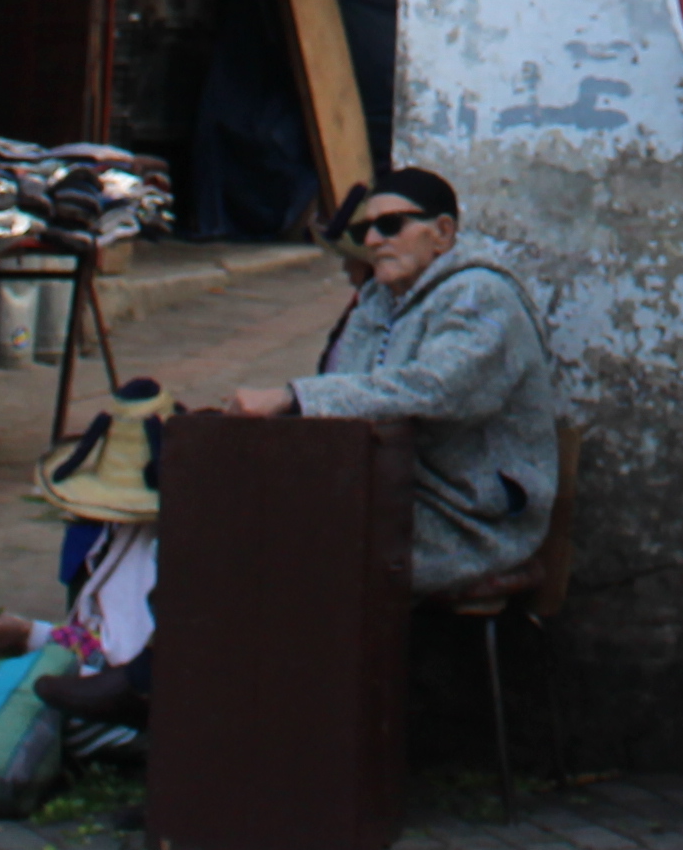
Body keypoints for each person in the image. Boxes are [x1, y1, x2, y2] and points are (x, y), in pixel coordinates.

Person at [222, 169, 561, 591]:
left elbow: (435, 389)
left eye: (390, 225)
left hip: (468, 518)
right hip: (392, 493)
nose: (371, 241)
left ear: (442, 232)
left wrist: (294, 397)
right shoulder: (379, 300)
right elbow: (349, 389)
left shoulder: (481, 295)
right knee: (245, 513)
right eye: (366, 228)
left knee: (298, 549)